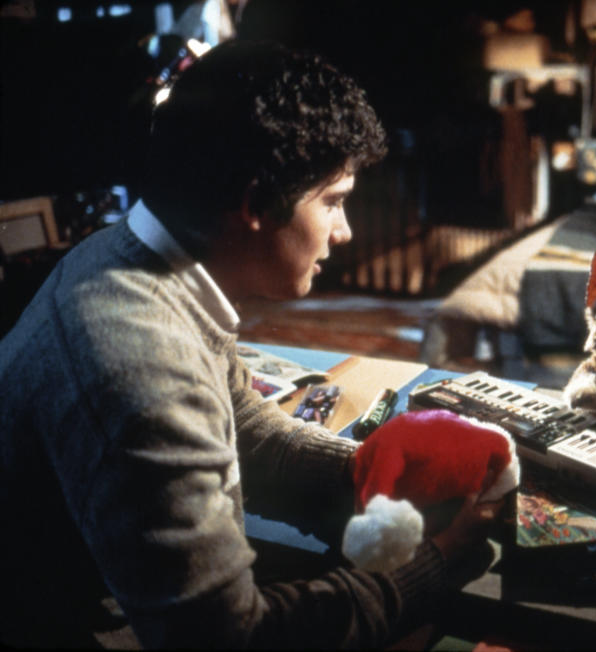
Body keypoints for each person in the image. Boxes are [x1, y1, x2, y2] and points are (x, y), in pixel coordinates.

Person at [0, 39, 503, 649]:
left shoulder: (129, 261)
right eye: (334, 202)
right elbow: (228, 638)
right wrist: (434, 566)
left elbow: (243, 426)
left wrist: (362, 474)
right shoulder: (138, 360)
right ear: (257, 201)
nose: (343, 232)